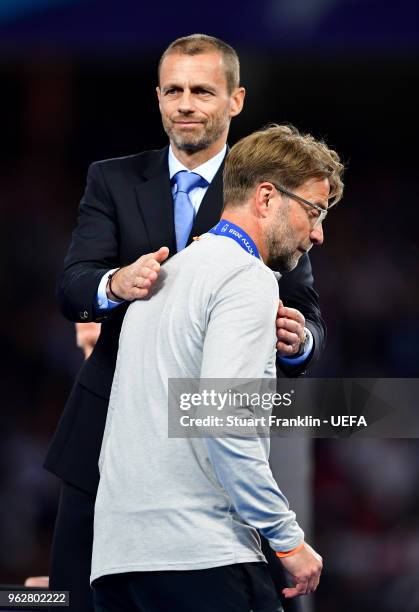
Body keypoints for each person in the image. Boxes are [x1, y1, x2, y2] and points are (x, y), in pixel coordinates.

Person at [45, 34, 327, 611]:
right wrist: (115, 283)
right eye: (173, 90)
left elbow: (304, 307)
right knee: (71, 599)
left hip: (205, 466)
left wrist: (298, 341)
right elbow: (73, 286)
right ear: (157, 98)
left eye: (202, 90)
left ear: (236, 100)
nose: (186, 103)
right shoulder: (114, 180)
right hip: (107, 433)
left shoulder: (262, 193)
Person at [91, 124, 344, 612]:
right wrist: (288, 540)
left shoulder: (162, 279)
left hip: (119, 562)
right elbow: (227, 424)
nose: (318, 233)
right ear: (267, 197)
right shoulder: (246, 277)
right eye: (314, 210)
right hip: (201, 559)